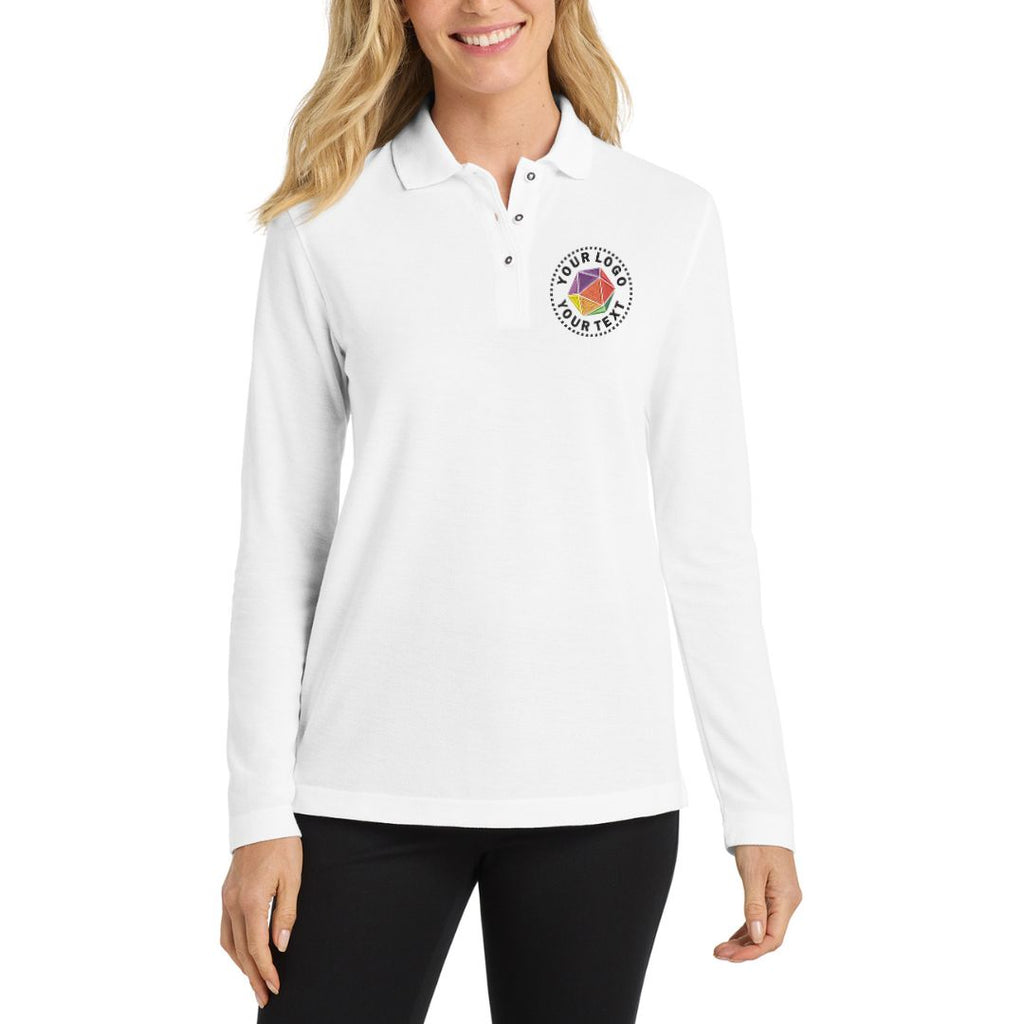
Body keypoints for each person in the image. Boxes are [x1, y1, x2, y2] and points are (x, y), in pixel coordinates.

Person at [219, 1, 803, 1020]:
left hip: (601, 793)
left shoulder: (667, 218)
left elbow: (707, 537)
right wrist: (257, 811)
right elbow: (280, 542)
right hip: (362, 789)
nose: (481, 6)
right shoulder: (324, 222)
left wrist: (759, 808)